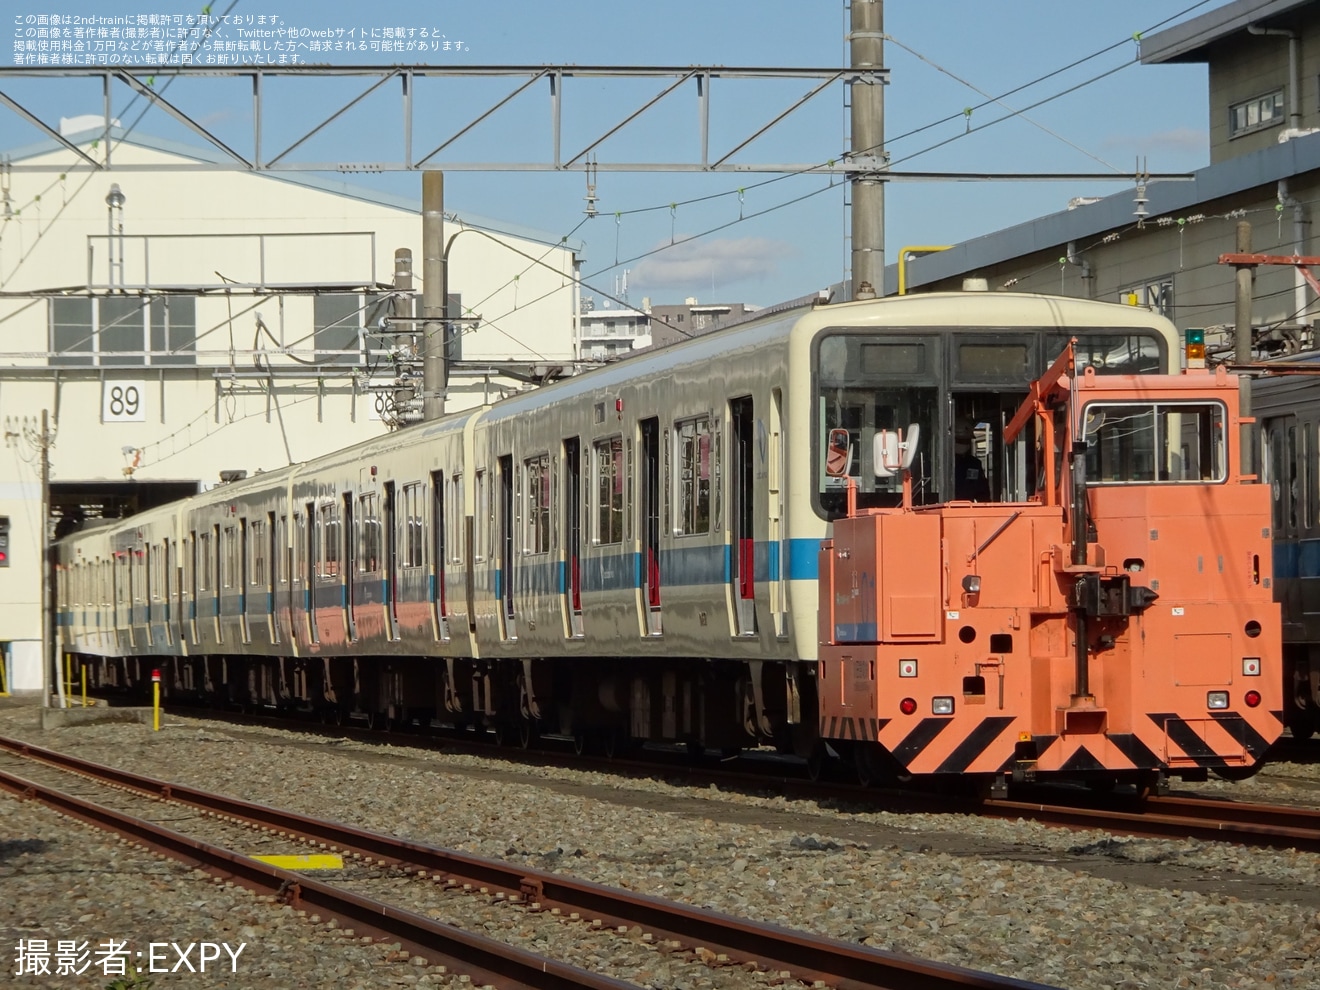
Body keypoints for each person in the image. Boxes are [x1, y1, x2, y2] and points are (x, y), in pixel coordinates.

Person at [953, 421, 991, 501]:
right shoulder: (944, 462)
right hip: (946, 508)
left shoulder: (974, 464)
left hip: (968, 509)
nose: (964, 444)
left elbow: (983, 493)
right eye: (960, 440)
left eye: (966, 441)